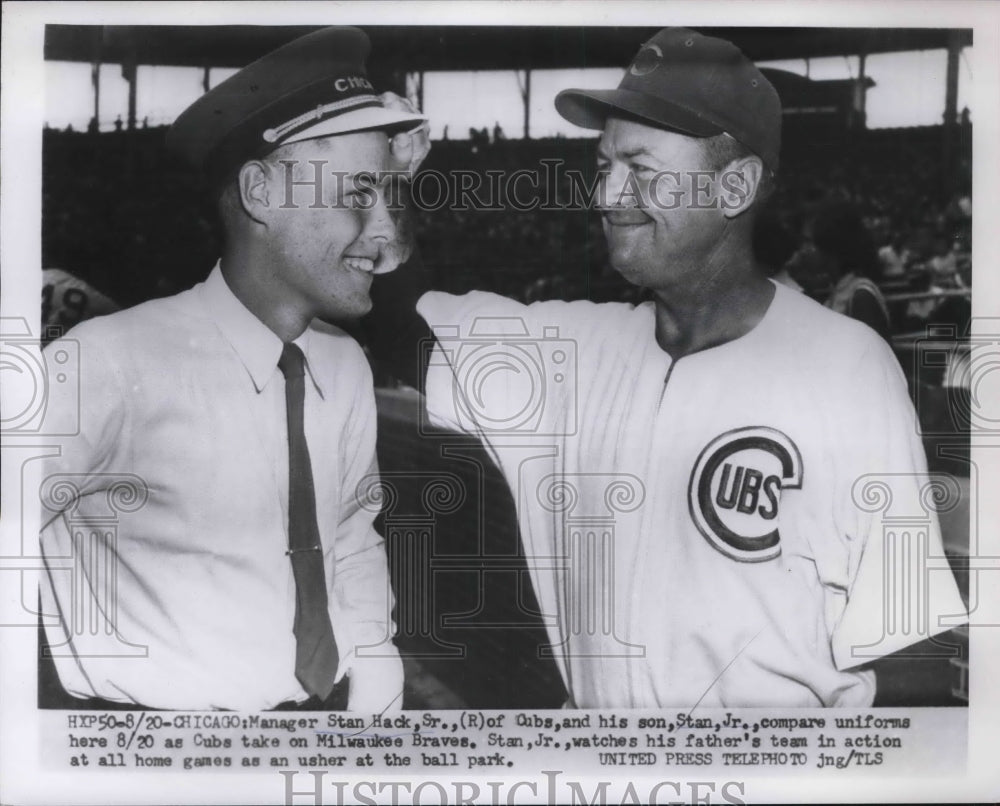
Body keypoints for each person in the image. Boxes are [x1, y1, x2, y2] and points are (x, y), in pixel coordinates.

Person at [373, 28, 966, 708]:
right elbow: (402, 330)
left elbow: (909, 642)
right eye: (604, 167)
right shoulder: (574, 348)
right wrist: (386, 182)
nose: (608, 195)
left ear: (735, 185)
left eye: (642, 169)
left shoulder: (844, 368)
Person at [38, 27, 427, 712]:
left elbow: (349, 536)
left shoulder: (343, 366)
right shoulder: (104, 362)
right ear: (259, 193)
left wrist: (374, 668)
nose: (386, 232)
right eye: (358, 193)